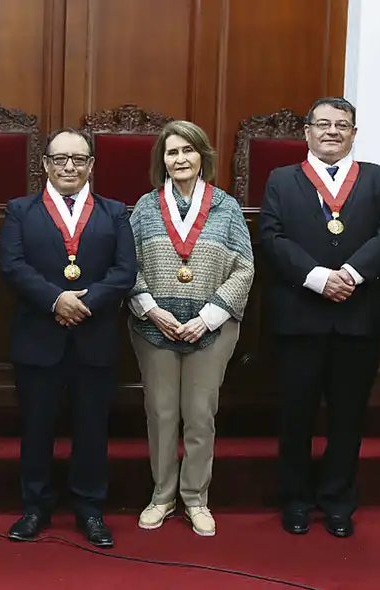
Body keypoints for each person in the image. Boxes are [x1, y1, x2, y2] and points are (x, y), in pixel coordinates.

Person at [260, 97, 380, 538]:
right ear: (307, 132)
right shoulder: (281, 179)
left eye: (342, 125)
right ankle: (296, 500)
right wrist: (318, 277)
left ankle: (338, 502)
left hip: (358, 316)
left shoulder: (375, 177)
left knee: (348, 416)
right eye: (322, 124)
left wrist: (352, 273)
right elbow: (271, 236)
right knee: (296, 414)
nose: (332, 131)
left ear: (354, 133)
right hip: (299, 317)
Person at [0, 127, 136, 548]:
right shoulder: (21, 210)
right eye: (60, 159)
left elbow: (125, 272)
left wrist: (84, 302)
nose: (69, 167)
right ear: (45, 164)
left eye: (78, 159)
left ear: (91, 164)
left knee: (92, 430)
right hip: (39, 338)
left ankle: (90, 510)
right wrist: (56, 300)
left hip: (94, 339)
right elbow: (13, 265)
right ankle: (35, 508)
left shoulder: (114, 212)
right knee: (36, 429)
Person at [127, 121, 254, 537]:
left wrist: (208, 317)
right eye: (172, 152)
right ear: (161, 160)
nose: (180, 159)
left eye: (188, 150)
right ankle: (162, 496)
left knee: (200, 414)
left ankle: (196, 498)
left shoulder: (227, 207)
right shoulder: (145, 207)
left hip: (210, 328)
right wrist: (151, 310)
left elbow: (244, 268)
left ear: (203, 156)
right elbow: (127, 265)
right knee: (161, 413)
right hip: (154, 327)